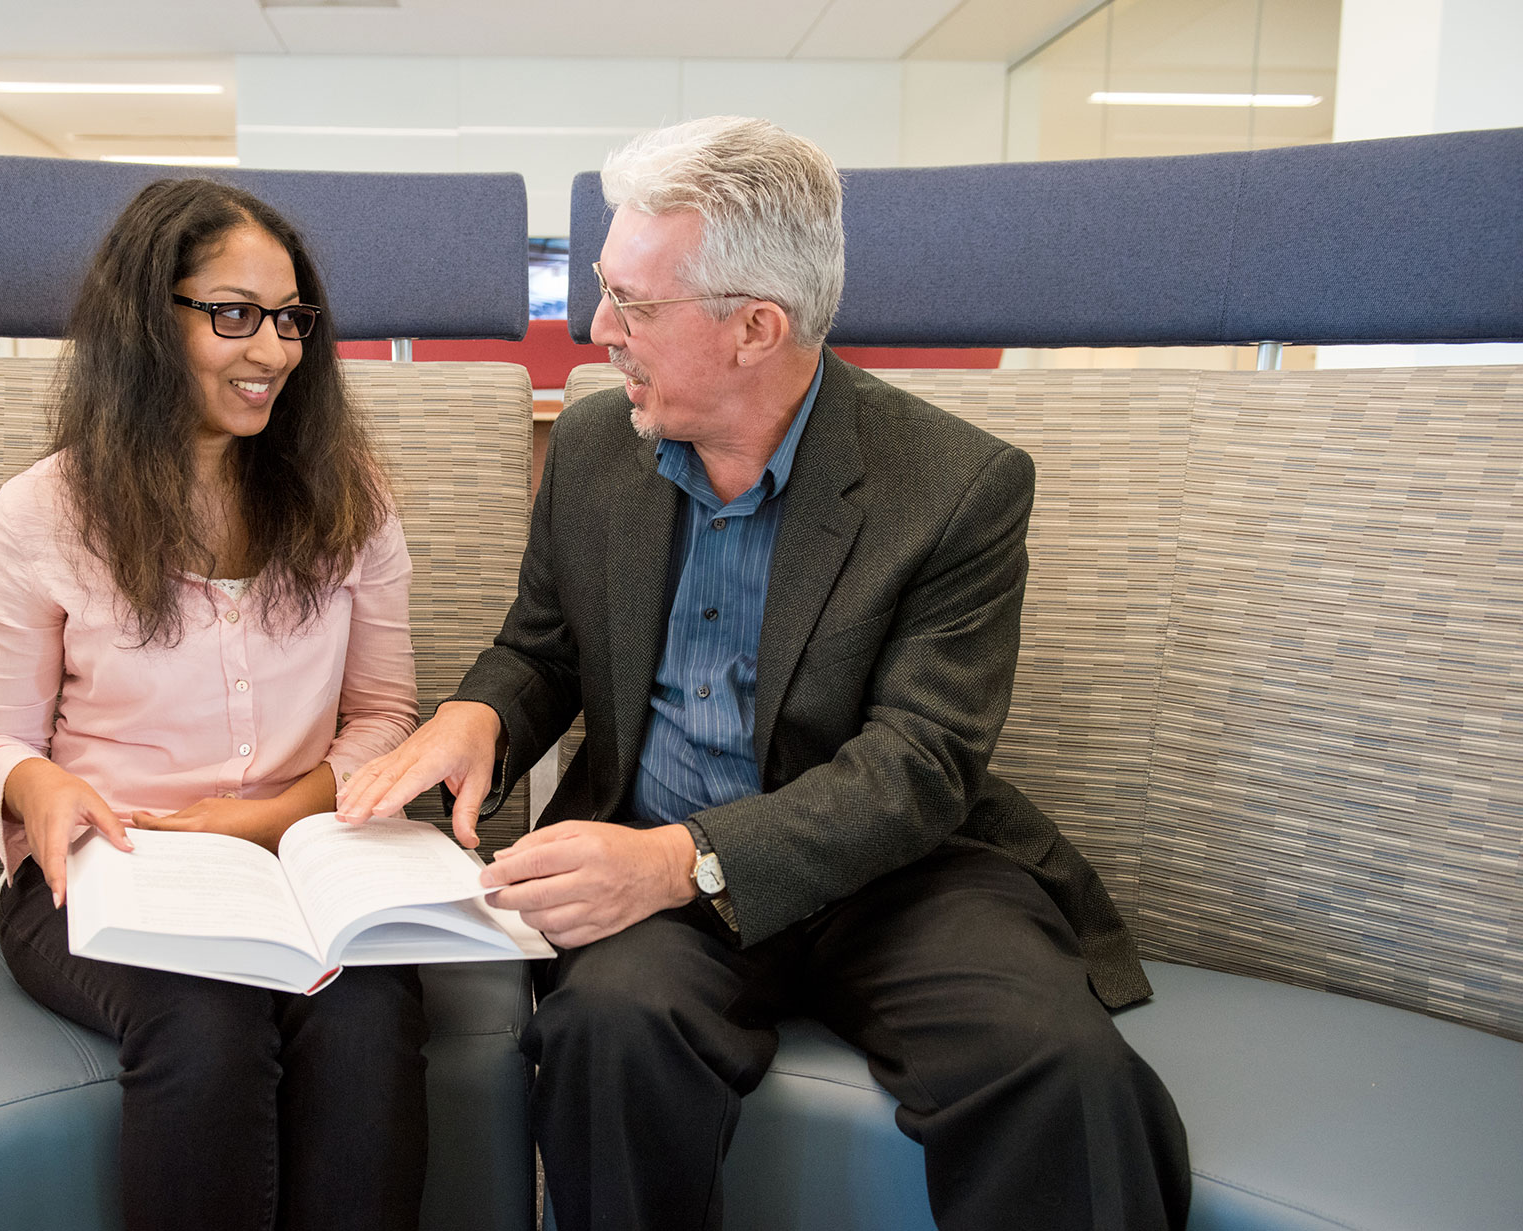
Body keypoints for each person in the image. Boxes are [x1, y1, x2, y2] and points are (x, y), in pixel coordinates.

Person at [338, 117, 1192, 1230]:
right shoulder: (596, 451)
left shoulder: (955, 484)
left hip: (897, 874)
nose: (597, 330)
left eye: (632, 305)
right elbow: (542, 646)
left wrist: (683, 859)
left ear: (754, 328)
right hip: (652, 859)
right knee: (607, 1032)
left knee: (1059, 1072)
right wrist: (477, 711)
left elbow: (918, 766)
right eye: (605, 291)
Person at [0, 178, 427, 1231]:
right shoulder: (40, 515)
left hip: (303, 863)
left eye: (290, 319)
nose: (270, 350)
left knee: (365, 1012)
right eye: (232, 315)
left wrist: (265, 819)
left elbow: (387, 718)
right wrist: (34, 784)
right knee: (202, 1019)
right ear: (144, 318)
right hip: (113, 873)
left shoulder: (348, 496)